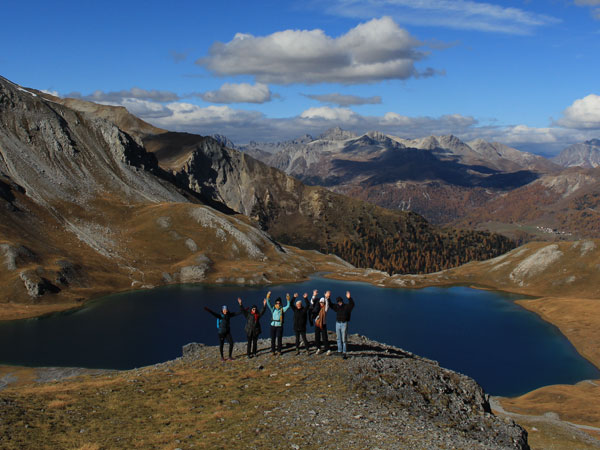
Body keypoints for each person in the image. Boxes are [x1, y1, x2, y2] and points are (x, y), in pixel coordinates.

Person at [328, 291, 355, 359]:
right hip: (337, 323)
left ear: (342, 301)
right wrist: (328, 298)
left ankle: (344, 352)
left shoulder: (346, 306)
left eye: (340, 301)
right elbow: (331, 305)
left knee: (344, 338)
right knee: (338, 338)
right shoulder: (337, 307)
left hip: (344, 323)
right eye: (338, 301)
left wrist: (349, 298)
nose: (339, 302)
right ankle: (339, 351)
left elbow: (352, 304)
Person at [312, 291, 331, 355]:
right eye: (320, 302)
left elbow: (327, 304)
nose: (321, 303)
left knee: (324, 337)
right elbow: (312, 302)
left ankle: (327, 349)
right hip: (317, 324)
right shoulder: (317, 308)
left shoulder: (325, 309)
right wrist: (314, 295)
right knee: (317, 337)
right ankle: (318, 348)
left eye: (323, 302)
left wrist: (326, 297)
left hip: (323, 324)